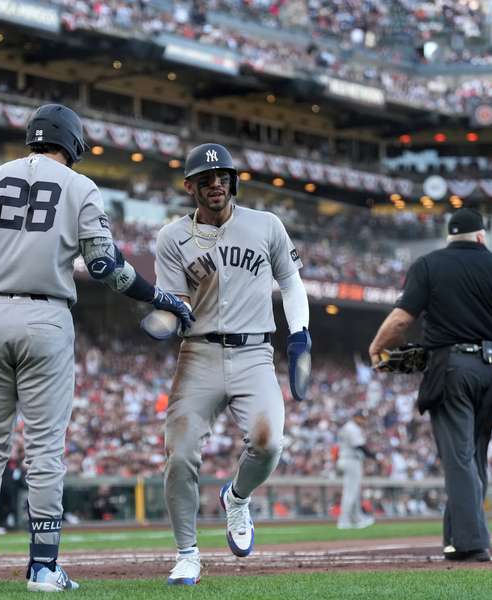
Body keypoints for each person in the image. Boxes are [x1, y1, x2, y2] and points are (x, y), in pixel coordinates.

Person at [0, 103, 194, 593]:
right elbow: (104, 268)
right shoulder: (80, 186)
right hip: (46, 316)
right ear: (71, 144)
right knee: (45, 449)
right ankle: (43, 566)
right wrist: (159, 296)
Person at [153, 142, 311, 585]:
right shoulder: (172, 237)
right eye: (206, 179)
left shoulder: (266, 225)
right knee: (180, 455)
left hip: (255, 352)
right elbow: (176, 302)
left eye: (223, 176)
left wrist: (299, 331)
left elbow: (291, 282)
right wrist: (165, 316)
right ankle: (187, 553)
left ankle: (236, 497)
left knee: (269, 443)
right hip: (198, 352)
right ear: (190, 187)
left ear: (233, 181)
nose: (216, 184)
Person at [368, 208, 492, 562]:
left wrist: (377, 348)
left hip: (452, 369)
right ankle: (455, 539)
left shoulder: (429, 265)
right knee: (474, 457)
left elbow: (402, 318)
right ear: (481, 236)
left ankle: (472, 542)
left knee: (459, 458)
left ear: (449, 237)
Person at [336, 410, 376, 530]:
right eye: (361, 418)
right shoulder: (351, 427)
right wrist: (373, 456)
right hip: (351, 460)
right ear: (355, 417)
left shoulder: (350, 427)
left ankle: (357, 518)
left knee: (354, 492)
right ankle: (343, 521)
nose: (363, 420)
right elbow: (359, 445)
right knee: (350, 492)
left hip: (347, 459)